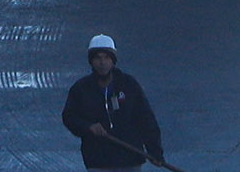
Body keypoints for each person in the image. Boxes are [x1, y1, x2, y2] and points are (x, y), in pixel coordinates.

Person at [60, 34, 165, 169]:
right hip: (98, 162)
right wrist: (88, 126)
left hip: (130, 160)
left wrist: (155, 152)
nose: (102, 63)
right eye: (98, 58)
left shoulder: (129, 86)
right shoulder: (81, 89)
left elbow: (146, 119)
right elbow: (69, 117)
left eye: (106, 57)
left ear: (113, 60)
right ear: (91, 61)